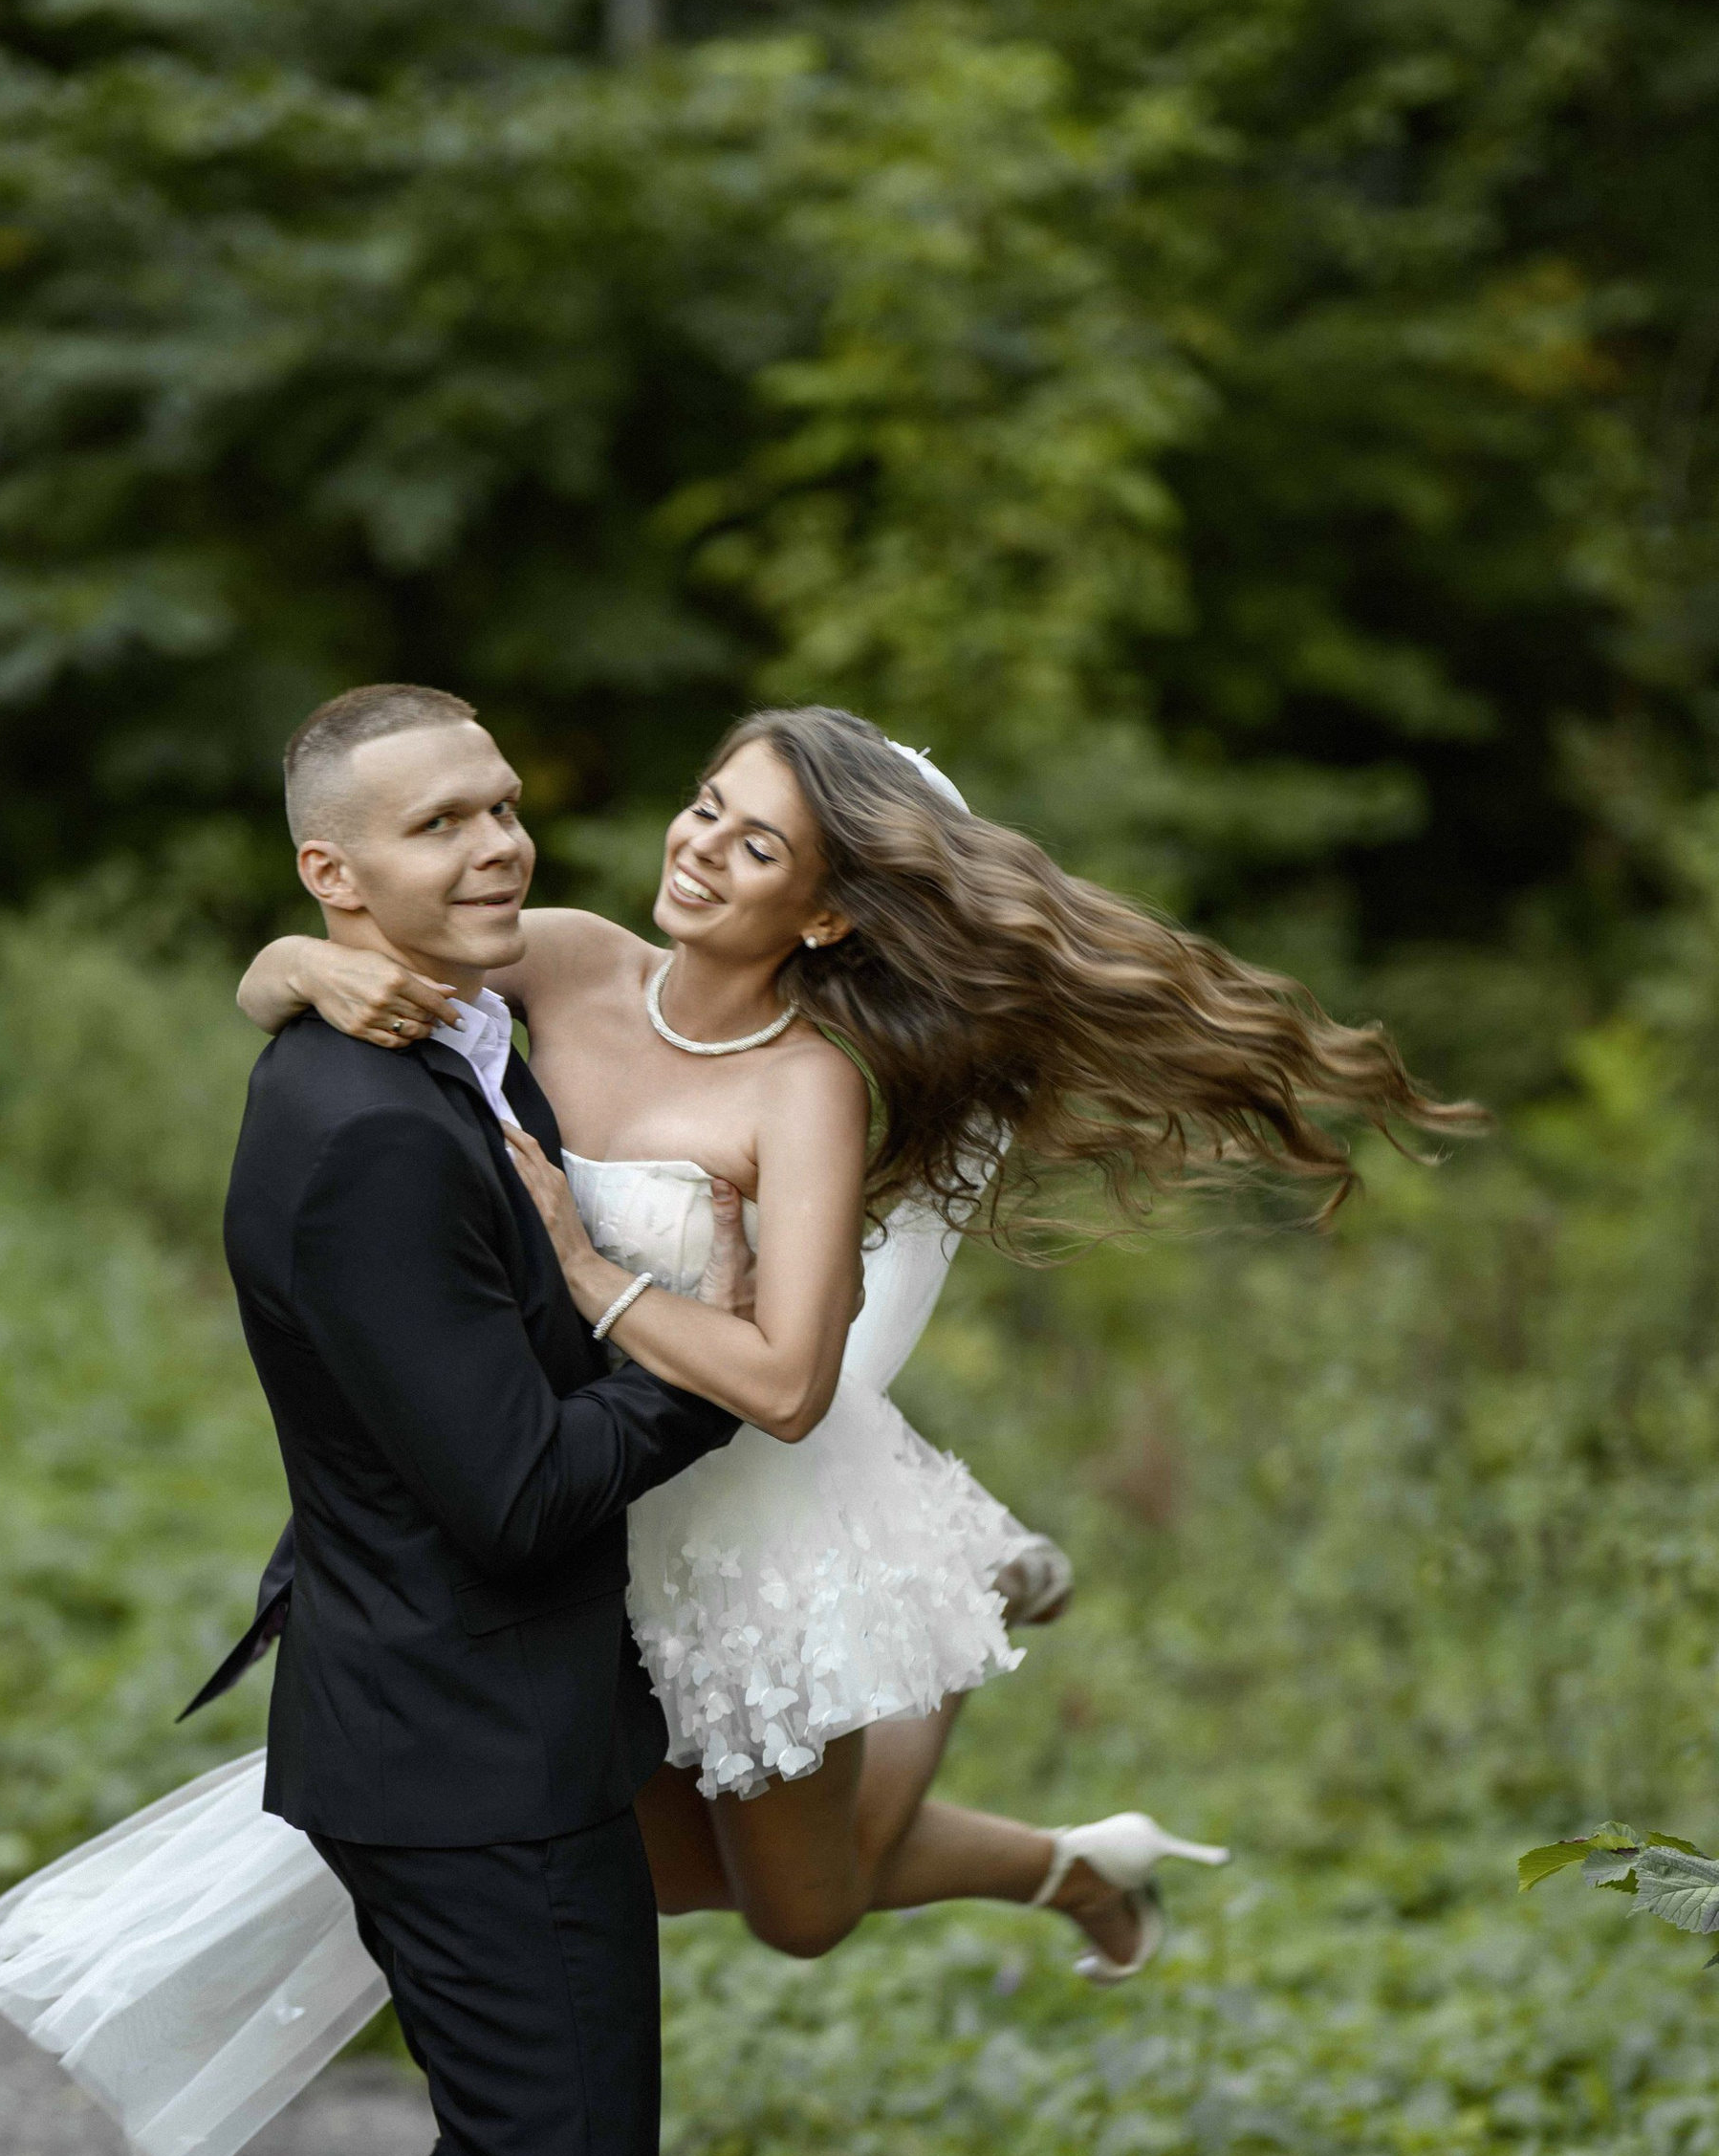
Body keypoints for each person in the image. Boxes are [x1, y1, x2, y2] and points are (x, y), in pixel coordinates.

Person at [238, 703, 1462, 1979]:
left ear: (824, 915)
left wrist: (592, 1273)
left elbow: (789, 1383)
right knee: (636, 1866)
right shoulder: (565, 958)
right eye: (708, 805)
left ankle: (978, 1663)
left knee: (802, 1917)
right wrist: (300, 966)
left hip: (755, 1529)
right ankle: (1079, 1842)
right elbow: (334, 963)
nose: (703, 847)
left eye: (758, 846)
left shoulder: (805, 1086)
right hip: (592, 1496)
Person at [43, 681, 748, 2156]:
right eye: (435, 824)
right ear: (336, 873)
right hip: (467, 1741)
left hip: (448, 1724)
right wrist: (737, 1363)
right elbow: (522, 1490)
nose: (497, 845)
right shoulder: (355, 1139)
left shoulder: (411, 1036)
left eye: (509, 806)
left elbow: (358, 995)